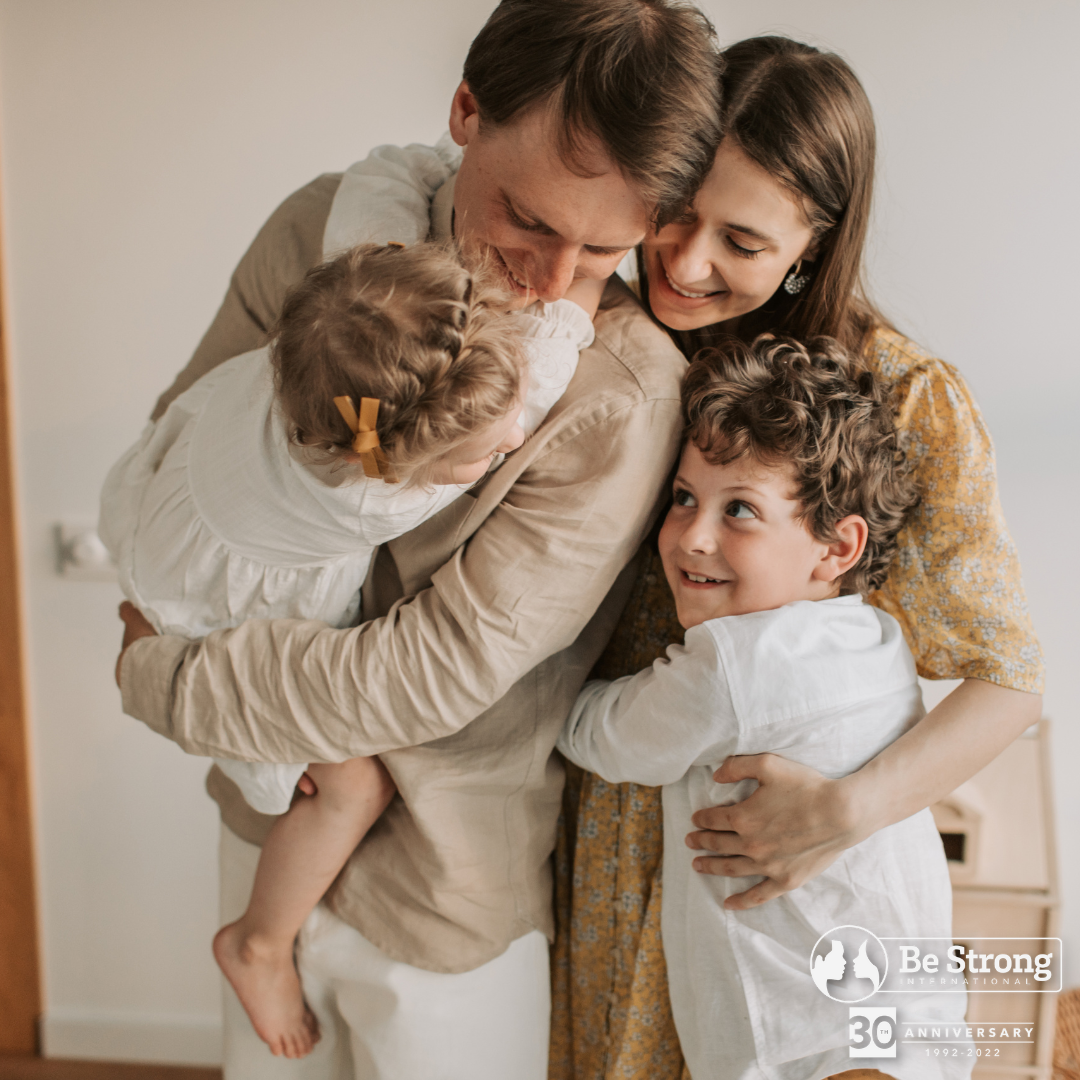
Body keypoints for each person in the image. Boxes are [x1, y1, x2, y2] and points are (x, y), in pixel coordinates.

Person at [113, 1, 724, 1077]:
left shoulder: (622, 393)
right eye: (527, 220)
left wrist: (167, 679)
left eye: (605, 249)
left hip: (444, 895)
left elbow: (437, 669)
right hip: (265, 828)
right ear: (466, 111)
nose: (552, 281)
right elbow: (188, 441)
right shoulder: (317, 230)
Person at [548, 36, 1043, 1080]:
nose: (685, 262)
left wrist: (842, 813)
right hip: (606, 841)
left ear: (814, 244)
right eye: (675, 212)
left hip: (782, 874)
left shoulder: (904, 400)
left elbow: (1008, 683)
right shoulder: (596, 338)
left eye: (741, 239)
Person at [100, 239, 601, 1058]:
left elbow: (378, 200)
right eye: (485, 455)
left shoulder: (313, 353)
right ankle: (258, 941)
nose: (514, 438)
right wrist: (588, 281)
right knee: (351, 784)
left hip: (164, 527)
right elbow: (540, 383)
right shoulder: (368, 495)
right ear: (394, 465)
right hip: (205, 607)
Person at [557, 335, 968, 1080]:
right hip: (909, 1021)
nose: (693, 536)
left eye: (739, 509)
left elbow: (601, 736)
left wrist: (540, 671)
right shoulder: (876, 638)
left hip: (804, 1041)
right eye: (684, 498)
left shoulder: (736, 664)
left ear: (835, 548)